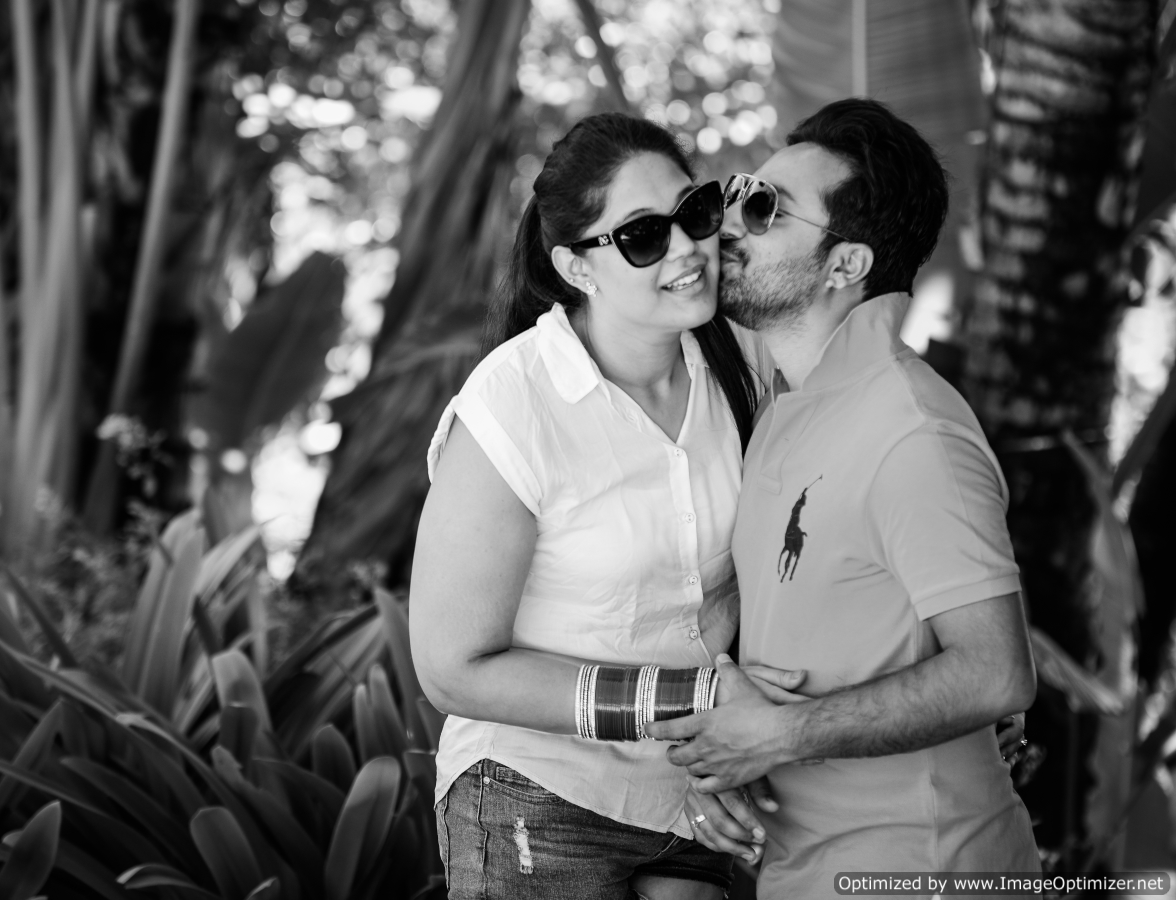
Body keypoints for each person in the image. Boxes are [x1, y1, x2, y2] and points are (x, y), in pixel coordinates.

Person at [646, 98, 1040, 897]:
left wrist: (780, 735)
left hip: (927, 865)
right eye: (738, 193)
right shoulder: (784, 412)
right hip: (807, 867)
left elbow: (997, 673)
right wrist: (726, 753)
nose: (729, 223)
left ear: (845, 265)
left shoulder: (913, 431)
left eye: (766, 209)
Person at [409, 112, 793, 900]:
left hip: (695, 788)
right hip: (537, 790)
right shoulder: (513, 404)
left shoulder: (747, 363)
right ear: (575, 266)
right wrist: (701, 704)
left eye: (694, 212)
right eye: (643, 236)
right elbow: (453, 670)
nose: (686, 248)